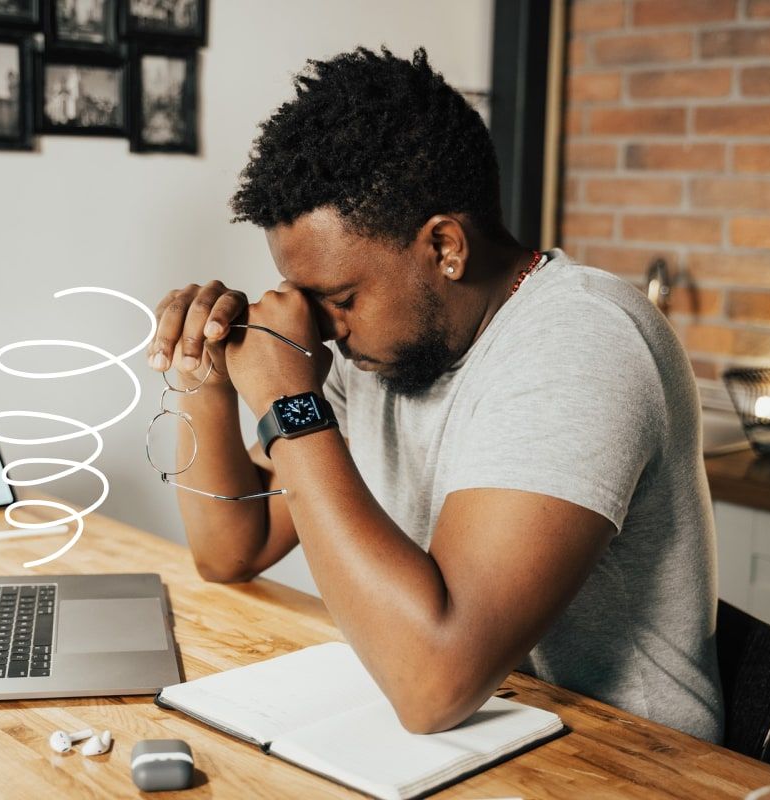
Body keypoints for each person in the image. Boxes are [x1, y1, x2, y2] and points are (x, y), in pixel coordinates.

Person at [147, 47, 723, 742]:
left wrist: (288, 406)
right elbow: (230, 549)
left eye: (340, 298)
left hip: (633, 764)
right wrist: (204, 374)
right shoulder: (390, 351)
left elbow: (433, 685)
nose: (326, 332)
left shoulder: (581, 339)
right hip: (476, 741)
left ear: (445, 246)